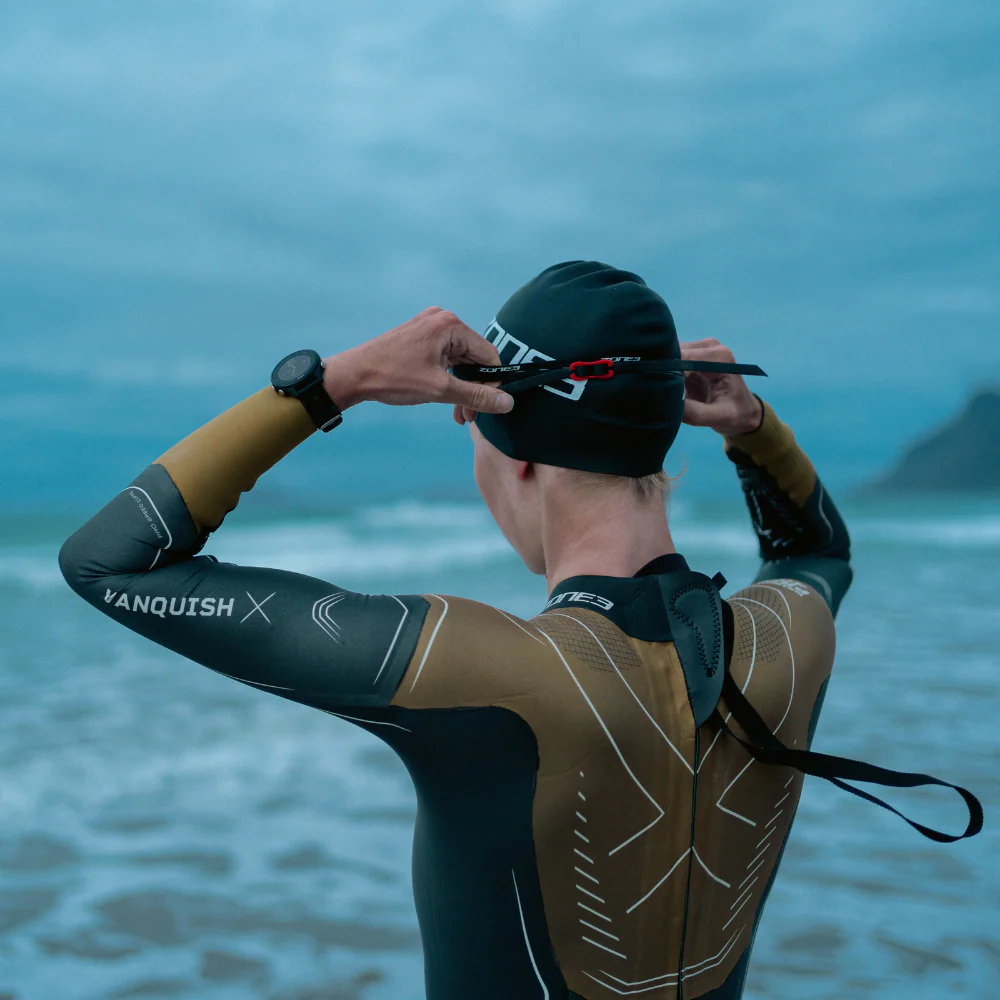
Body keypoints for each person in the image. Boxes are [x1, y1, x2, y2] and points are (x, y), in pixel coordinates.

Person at [59, 261, 974, 1000]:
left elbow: (110, 561)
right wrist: (757, 431)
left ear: (518, 453)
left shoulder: (488, 672)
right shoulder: (786, 641)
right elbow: (819, 550)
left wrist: (334, 382)